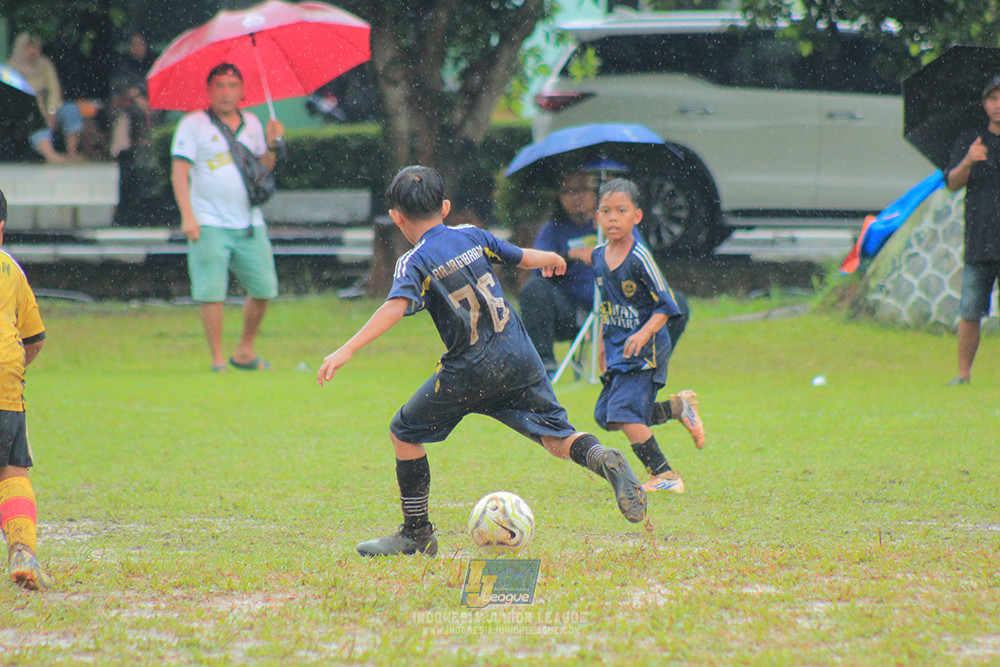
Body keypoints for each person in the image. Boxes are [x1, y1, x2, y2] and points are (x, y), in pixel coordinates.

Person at [317, 166, 647, 557]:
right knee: (556, 437)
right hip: (519, 356)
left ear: (396, 218)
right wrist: (554, 257)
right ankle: (601, 457)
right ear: (445, 207)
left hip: (469, 370)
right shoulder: (471, 235)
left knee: (404, 433)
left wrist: (348, 348)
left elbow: (395, 306)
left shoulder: (414, 260)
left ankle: (417, 533)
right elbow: (523, 257)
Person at [591, 178, 705, 496]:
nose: (613, 217)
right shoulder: (598, 257)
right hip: (616, 349)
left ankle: (664, 473)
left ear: (637, 216)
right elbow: (606, 304)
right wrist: (601, 343)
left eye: (621, 210)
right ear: (597, 217)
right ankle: (678, 408)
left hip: (647, 349)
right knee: (606, 416)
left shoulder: (640, 257)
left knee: (625, 415)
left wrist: (643, 333)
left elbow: (667, 305)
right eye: (606, 211)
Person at [520, 169, 691, 376]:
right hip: (574, 309)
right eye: (569, 192)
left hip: (622, 308)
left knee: (676, 304)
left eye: (582, 190)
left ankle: (645, 365)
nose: (576, 197)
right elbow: (538, 269)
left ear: (596, 193)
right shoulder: (553, 230)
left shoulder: (617, 224)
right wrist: (569, 256)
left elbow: (644, 264)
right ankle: (543, 368)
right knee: (533, 289)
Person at [170, 63, 285, 372]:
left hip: (249, 220)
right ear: (209, 91)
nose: (226, 92)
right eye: (219, 85)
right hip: (208, 220)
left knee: (263, 288)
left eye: (232, 85)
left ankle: (245, 350)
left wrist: (273, 143)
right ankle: (218, 359)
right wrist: (188, 216)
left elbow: (263, 170)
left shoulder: (252, 123)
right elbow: (180, 172)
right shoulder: (193, 124)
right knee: (211, 292)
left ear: (243, 91)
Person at [0, 188, 51, 590]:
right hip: (4, 378)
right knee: (11, 469)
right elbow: (33, 339)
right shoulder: (10, 268)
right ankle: (22, 550)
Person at [944, 74, 1000, 385]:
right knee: (970, 310)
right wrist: (968, 161)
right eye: (992, 98)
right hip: (980, 241)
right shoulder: (972, 139)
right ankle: (963, 374)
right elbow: (952, 184)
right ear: (983, 104)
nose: (998, 105)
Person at [6, 32, 84, 161]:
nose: (33, 51)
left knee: (71, 109)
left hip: (49, 108)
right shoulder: (9, 69)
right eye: (28, 47)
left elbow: (54, 89)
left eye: (35, 47)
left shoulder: (45, 65)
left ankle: (72, 153)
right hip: (25, 112)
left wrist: (51, 111)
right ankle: (50, 155)